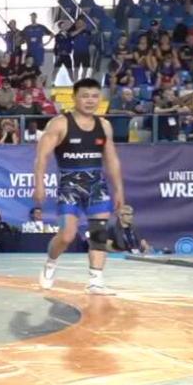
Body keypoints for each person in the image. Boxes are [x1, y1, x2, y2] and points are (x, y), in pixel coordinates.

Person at [33, 78, 124, 295]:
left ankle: (95, 281)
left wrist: (119, 189)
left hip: (96, 186)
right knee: (67, 235)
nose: (90, 101)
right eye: (85, 96)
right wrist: (39, 184)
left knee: (99, 232)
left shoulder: (104, 126)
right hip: (69, 186)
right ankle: (50, 263)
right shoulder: (59, 124)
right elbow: (42, 157)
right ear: (74, 98)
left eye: (94, 96)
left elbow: (112, 160)